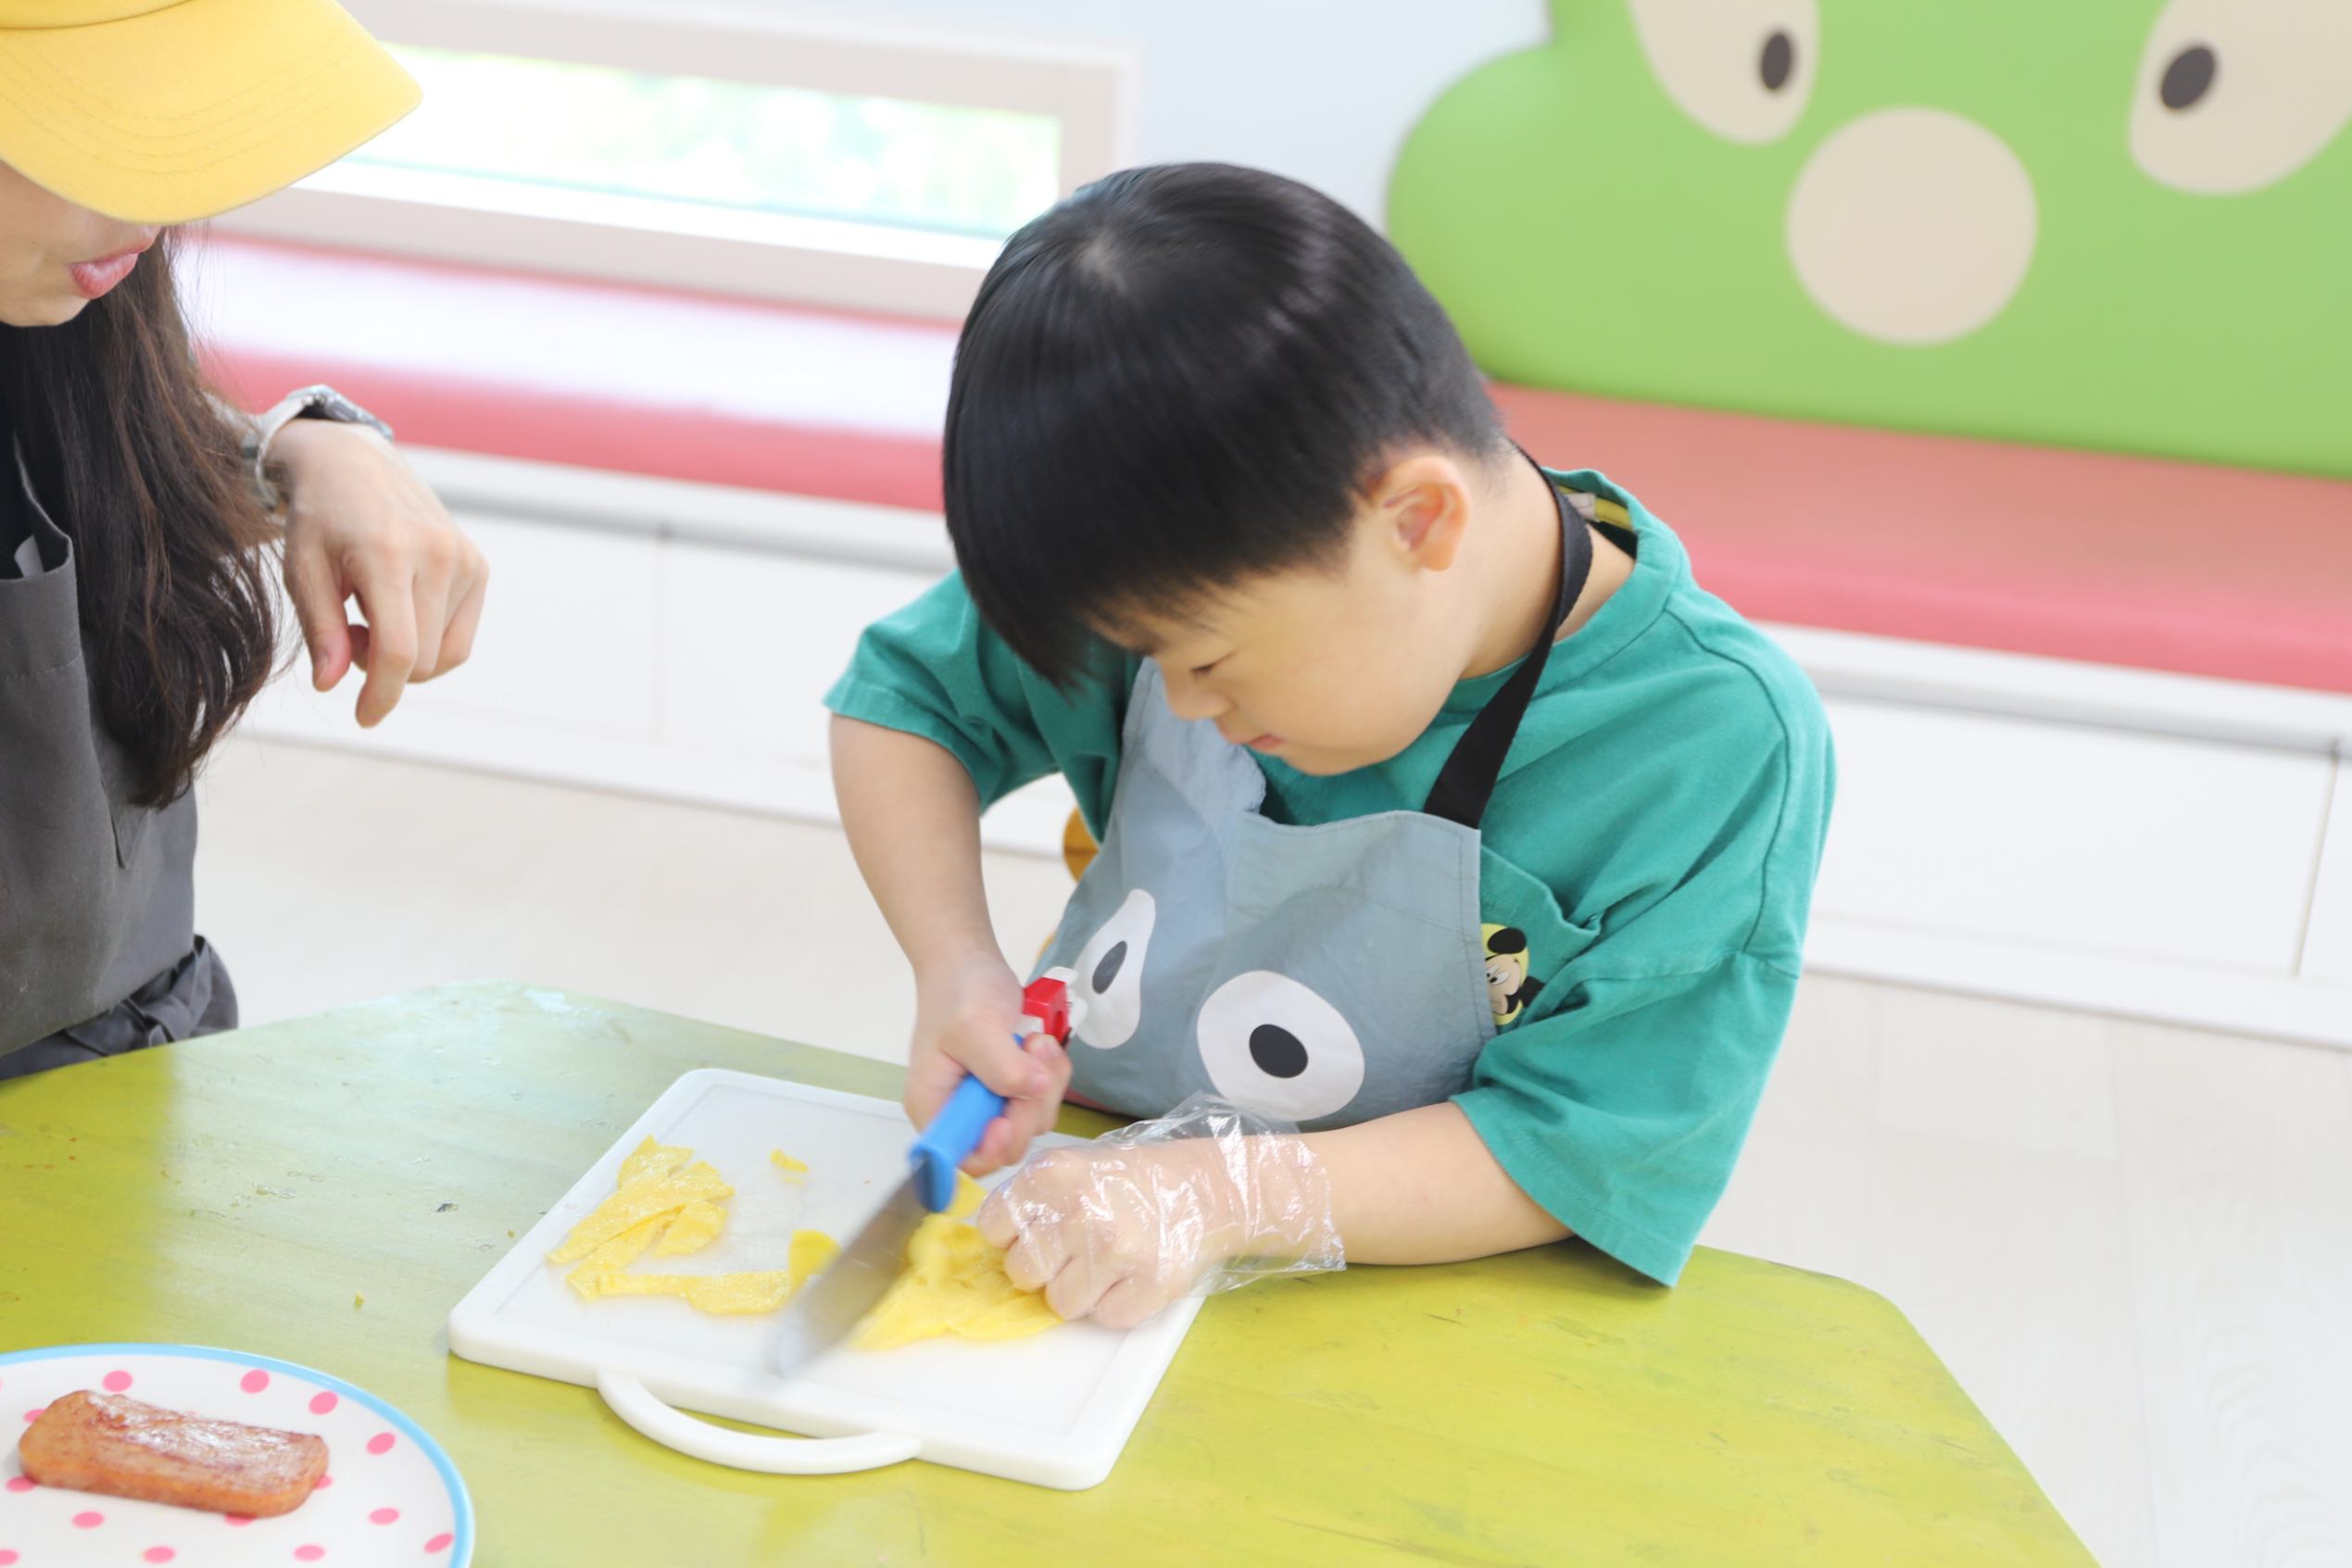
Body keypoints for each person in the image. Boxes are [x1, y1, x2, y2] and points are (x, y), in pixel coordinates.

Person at [826, 164, 1834, 1327]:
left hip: (1407, 1303)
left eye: (1210, 662)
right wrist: (956, 966)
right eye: (1147, 656)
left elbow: (1580, 1145)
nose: (1176, 699)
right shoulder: (1177, 547)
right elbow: (904, 701)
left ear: (1416, 520)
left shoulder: (1710, 745)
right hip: (1078, 1214)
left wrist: (1217, 1194)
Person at [0, 0, 486, 1077]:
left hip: (141, 1077)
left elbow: (118, 461)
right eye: (98, 125)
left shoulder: (59, 312)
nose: (154, 209)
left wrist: (309, 447)